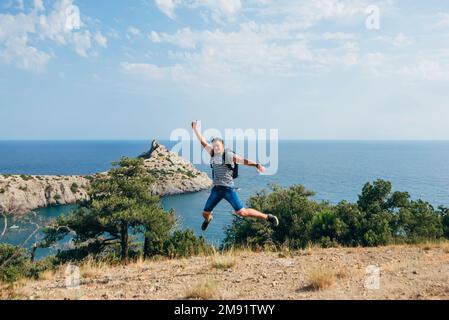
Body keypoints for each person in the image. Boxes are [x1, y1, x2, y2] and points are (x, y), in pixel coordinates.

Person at [191, 120, 279, 231]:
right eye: (214, 146)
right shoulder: (212, 153)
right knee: (205, 213)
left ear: (222, 146)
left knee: (242, 212)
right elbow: (202, 141)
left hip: (228, 189)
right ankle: (208, 219)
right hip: (216, 190)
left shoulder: (228, 155)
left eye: (218, 146)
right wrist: (195, 129)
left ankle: (267, 217)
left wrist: (256, 165)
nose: (216, 148)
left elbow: (243, 160)